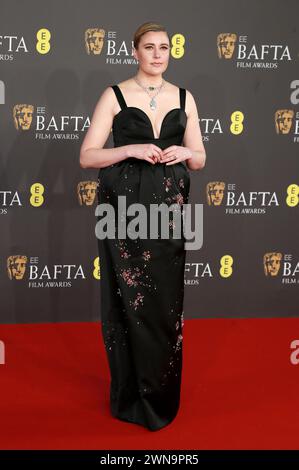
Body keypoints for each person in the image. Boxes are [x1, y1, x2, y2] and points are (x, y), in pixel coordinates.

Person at [80, 21, 206, 432]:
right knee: (126, 299)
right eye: (149, 47)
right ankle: (130, 396)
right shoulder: (114, 96)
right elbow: (88, 157)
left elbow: (200, 159)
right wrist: (129, 149)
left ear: (171, 52)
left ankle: (161, 396)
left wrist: (188, 150)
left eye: (164, 47)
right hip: (122, 211)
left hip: (169, 211)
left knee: (165, 304)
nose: (157, 54)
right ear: (134, 51)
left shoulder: (184, 98)